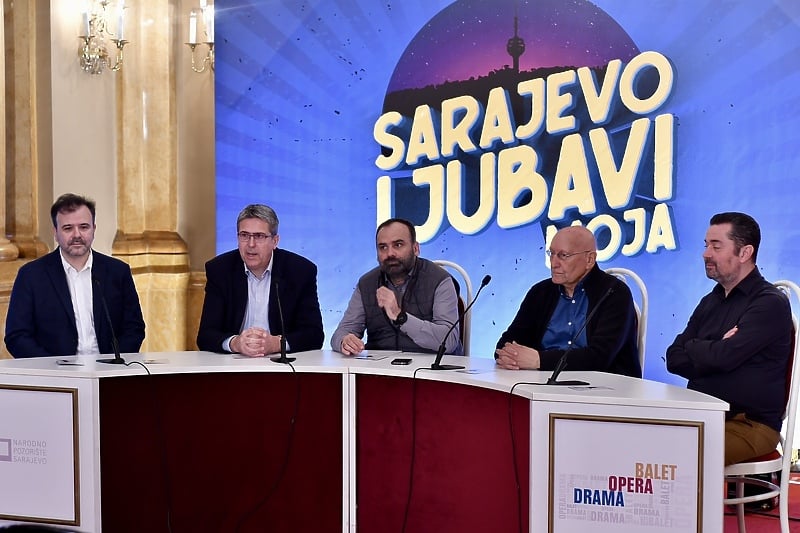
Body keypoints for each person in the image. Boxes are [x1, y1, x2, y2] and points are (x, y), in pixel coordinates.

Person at [666, 212, 792, 465]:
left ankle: (698, 506)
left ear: (744, 253)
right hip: (704, 417)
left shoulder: (769, 303)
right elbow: (673, 358)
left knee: (676, 456)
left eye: (716, 245)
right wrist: (712, 350)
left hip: (749, 424)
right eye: (706, 245)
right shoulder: (710, 301)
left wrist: (696, 347)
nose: (705, 254)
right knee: (637, 441)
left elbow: (723, 358)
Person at [5, 193, 145, 358]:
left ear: (94, 229)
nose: (77, 235)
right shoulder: (31, 275)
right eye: (68, 228)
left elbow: (133, 328)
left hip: (108, 373)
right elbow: (17, 336)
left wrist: (113, 363)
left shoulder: (117, 271)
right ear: (55, 233)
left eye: (84, 227)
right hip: (54, 376)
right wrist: (52, 368)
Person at [495, 226, 640, 377]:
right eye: (552, 254)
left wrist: (539, 360)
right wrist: (510, 357)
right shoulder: (540, 292)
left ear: (589, 259)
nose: (553, 263)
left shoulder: (614, 292)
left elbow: (600, 358)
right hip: (542, 382)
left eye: (563, 255)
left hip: (603, 388)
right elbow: (505, 344)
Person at [197, 204, 324, 356]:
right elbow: (205, 336)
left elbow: (314, 335)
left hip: (281, 366)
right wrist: (235, 343)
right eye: (244, 235)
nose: (251, 244)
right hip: (234, 364)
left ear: (275, 241)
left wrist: (276, 344)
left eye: (259, 236)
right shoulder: (220, 270)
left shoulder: (300, 271)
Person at [331, 218, 462, 356]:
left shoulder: (440, 280)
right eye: (383, 247)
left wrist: (401, 318)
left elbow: (449, 341)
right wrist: (345, 341)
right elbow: (340, 333)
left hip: (431, 370)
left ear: (415, 248)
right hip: (381, 369)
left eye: (398, 245)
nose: (390, 254)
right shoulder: (367, 283)